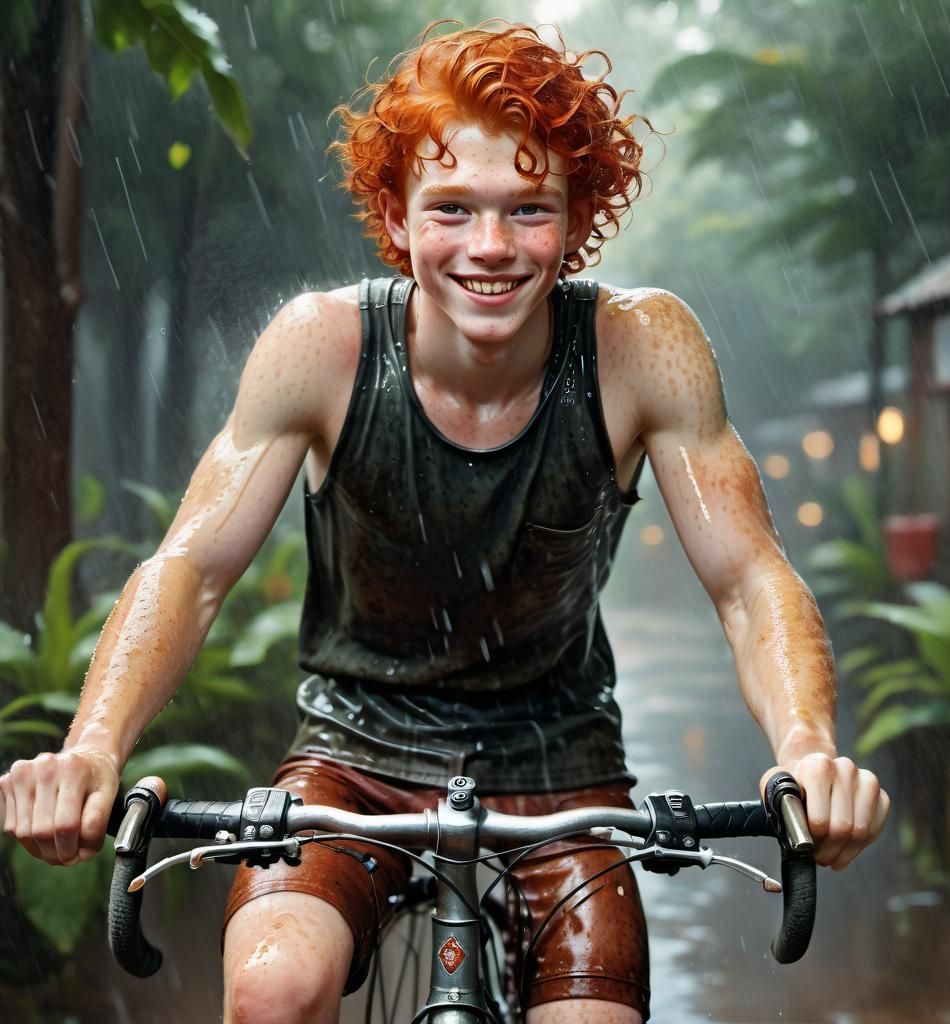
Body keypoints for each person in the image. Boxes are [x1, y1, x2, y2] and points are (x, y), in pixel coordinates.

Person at [0, 21, 889, 1024]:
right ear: (394, 211)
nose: (491, 247)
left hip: (562, 773)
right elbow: (193, 565)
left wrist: (808, 749)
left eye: (528, 210)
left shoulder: (643, 347)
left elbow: (747, 577)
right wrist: (91, 747)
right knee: (269, 989)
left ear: (578, 213)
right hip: (351, 762)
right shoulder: (321, 348)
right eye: (453, 208)